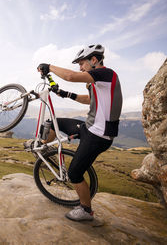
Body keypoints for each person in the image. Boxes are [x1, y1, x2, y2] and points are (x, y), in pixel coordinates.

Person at [37, 44, 122, 221]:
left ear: (94, 60)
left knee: (75, 173)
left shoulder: (106, 74)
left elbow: (70, 76)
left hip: (99, 136)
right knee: (53, 122)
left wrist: (49, 66)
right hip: (89, 128)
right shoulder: (97, 82)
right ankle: (45, 151)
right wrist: (66, 94)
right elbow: (89, 100)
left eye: (82, 63)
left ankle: (86, 211)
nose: (80, 68)